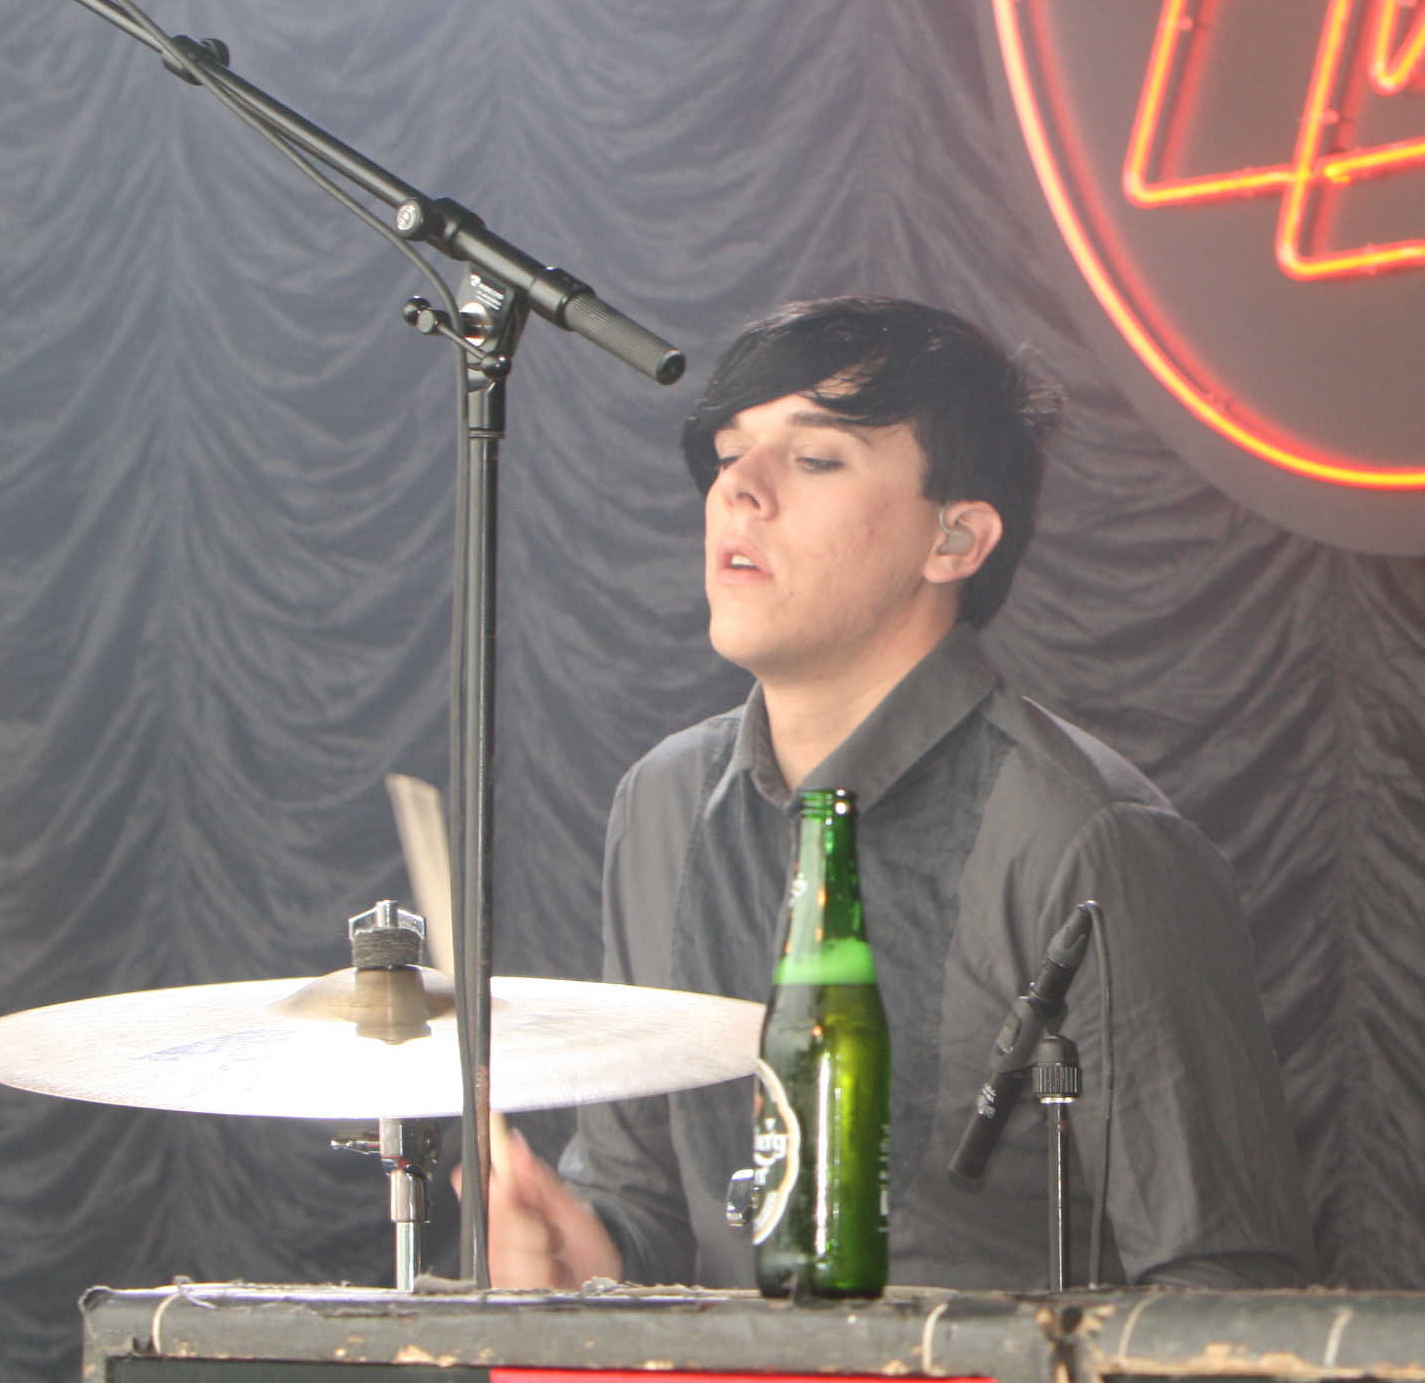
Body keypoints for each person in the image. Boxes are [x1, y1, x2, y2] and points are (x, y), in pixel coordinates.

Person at [478, 297, 1314, 1290]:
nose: (737, 488)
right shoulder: (662, 802)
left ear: (955, 538)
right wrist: (580, 1250)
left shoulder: (1090, 837)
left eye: (814, 457)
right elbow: (642, 1203)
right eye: (730, 452)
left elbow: (1224, 1285)